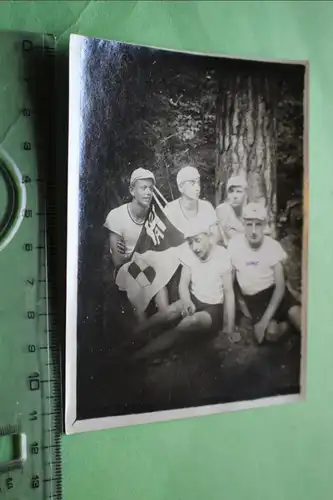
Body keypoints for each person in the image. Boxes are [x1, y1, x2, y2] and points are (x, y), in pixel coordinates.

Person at [134, 218, 235, 359]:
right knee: (168, 312)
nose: (195, 247)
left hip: (213, 309)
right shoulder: (190, 254)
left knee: (188, 323)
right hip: (194, 299)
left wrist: (228, 328)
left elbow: (229, 292)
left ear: (208, 236)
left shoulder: (222, 255)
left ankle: (140, 355)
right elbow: (183, 284)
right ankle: (132, 337)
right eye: (190, 242)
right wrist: (187, 301)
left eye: (198, 240)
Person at [227, 202, 301, 344]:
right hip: (256, 299)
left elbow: (280, 287)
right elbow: (231, 285)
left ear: (265, 224)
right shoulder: (234, 245)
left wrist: (264, 321)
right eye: (249, 224)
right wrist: (241, 306)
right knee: (272, 333)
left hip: (276, 293)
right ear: (243, 224)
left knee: (301, 320)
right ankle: (287, 327)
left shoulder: (273, 246)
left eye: (258, 224)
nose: (254, 230)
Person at [104, 167, 168, 315]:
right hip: (125, 270)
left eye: (151, 189)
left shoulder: (155, 217)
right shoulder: (116, 216)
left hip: (149, 267)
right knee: (139, 289)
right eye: (143, 188)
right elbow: (117, 260)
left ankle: (163, 319)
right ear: (132, 191)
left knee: (163, 302)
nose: (148, 193)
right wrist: (137, 257)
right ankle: (142, 331)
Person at [164, 165, 221, 244]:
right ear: (180, 187)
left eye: (198, 183)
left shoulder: (207, 207)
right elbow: (166, 240)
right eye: (192, 183)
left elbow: (216, 235)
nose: (198, 188)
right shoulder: (170, 209)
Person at [216, 175, 248, 244]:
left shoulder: (248, 212)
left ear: (246, 194)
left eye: (238, 191)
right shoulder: (223, 210)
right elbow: (235, 237)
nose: (234, 196)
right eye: (231, 191)